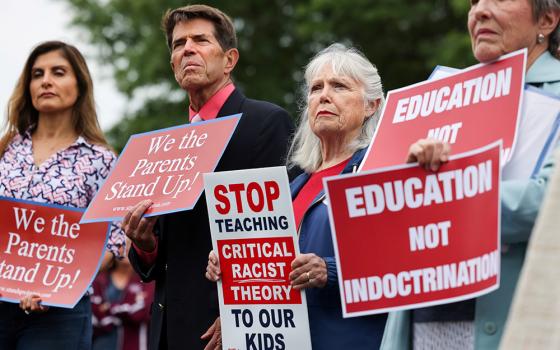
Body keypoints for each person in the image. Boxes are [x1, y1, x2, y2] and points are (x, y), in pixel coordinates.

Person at [381, 1, 560, 349]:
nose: (479, 11)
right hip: (424, 321)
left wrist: (442, 189)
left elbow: (548, 204)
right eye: (474, 1)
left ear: (548, 19)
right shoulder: (442, 99)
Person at [123, 4, 294, 350]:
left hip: (230, 329)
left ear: (229, 59)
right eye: (178, 44)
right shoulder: (165, 145)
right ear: (172, 64)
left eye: (200, 40)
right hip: (168, 330)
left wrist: (240, 312)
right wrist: (146, 246)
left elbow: (276, 236)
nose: (187, 49)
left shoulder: (265, 123)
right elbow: (161, 259)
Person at [205, 43, 388, 349]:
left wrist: (328, 269)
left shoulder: (380, 171)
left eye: (339, 86)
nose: (324, 96)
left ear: (372, 105)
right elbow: (269, 273)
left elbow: (403, 265)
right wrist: (232, 269)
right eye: (316, 88)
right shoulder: (292, 187)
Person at [0, 40, 125, 349]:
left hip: (61, 316)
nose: (46, 80)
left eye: (58, 72)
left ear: (79, 85)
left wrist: (57, 285)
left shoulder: (101, 159)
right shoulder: (5, 149)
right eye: (37, 74)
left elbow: (116, 238)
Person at [91, 240, 154, 350]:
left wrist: (108, 308)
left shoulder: (146, 281)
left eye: (131, 245)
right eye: (120, 245)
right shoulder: (99, 280)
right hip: (101, 344)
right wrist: (126, 309)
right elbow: (93, 314)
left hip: (135, 345)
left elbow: (141, 313)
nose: (125, 249)